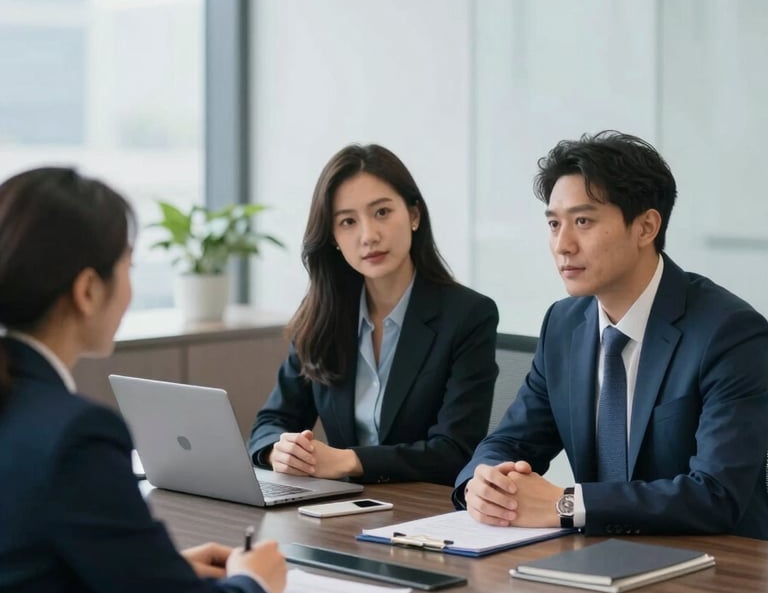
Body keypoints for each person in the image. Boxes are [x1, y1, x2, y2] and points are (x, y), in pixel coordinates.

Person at [0, 167, 286, 593]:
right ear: (88, 289)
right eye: (128, 266)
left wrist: (156, 571)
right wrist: (255, 583)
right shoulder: (76, 436)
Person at [455, 131, 768, 539]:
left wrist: (564, 504)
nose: (562, 245)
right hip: (597, 560)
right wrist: (484, 484)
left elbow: (715, 495)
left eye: (583, 221)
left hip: (713, 572)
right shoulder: (564, 325)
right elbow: (512, 441)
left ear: (645, 227)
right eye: (553, 224)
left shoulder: (729, 333)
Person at [248, 144, 499, 485]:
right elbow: (271, 421)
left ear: (414, 215)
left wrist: (348, 460)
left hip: (424, 514)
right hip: (337, 512)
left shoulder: (468, 315)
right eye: (348, 222)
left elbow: (454, 450)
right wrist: (277, 450)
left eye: (382, 213)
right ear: (334, 238)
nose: (369, 236)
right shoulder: (323, 315)